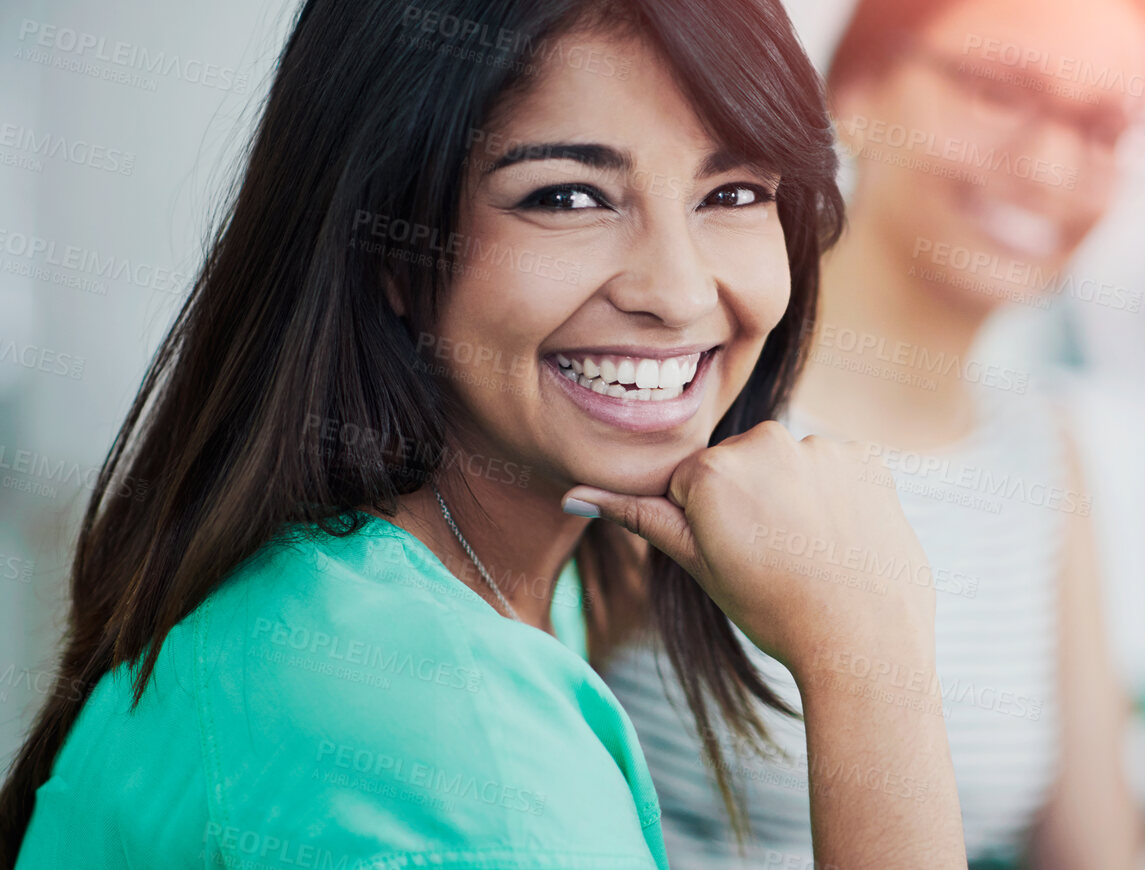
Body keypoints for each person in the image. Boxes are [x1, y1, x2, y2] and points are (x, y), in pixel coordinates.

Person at [0, 0, 967, 867]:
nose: (676, 293)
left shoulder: (472, 568)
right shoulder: (433, 741)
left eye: (734, 193)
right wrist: (872, 670)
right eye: (568, 197)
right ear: (389, 246)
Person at [601, 0, 1145, 865]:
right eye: (997, 91)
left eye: (1103, 128)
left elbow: (1095, 849)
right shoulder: (684, 381)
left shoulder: (1043, 448)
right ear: (855, 91)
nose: (1051, 164)